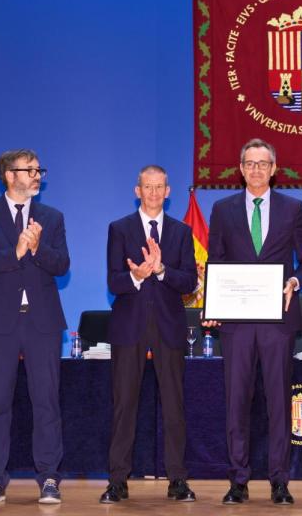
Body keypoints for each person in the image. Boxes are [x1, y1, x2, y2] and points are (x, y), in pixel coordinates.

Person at [203, 138, 302, 505]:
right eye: (249, 163)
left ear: (273, 168)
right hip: (235, 323)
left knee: (279, 402)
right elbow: (215, 261)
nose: (256, 169)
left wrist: (296, 281)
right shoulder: (222, 209)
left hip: (277, 321)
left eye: (262, 163)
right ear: (240, 168)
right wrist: (213, 304)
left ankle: (280, 480)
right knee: (236, 401)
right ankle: (238, 480)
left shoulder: (293, 207)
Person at [0, 149, 70, 505]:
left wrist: (38, 248)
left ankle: (49, 478)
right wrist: (15, 252)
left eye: (39, 169)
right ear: (9, 176)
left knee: (47, 402)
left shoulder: (51, 217)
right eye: (30, 170)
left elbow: (61, 265)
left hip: (42, 322)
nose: (37, 175)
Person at [100, 165, 199, 503]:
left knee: (174, 406)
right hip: (129, 328)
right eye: (147, 187)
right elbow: (114, 282)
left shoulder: (182, 232)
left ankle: (178, 480)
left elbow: (189, 283)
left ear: (168, 191)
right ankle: (117, 480)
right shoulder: (120, 229)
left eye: (160, 187)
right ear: (136, 190)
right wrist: (138, 276)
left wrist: (160, 270)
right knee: (124, 405)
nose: (154, 193)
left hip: (169, 328)